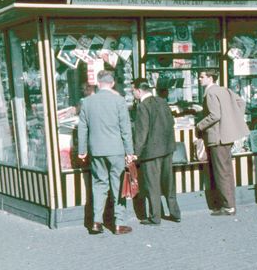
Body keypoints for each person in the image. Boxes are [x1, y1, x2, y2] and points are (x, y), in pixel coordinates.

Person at [77, 70, 136, 235]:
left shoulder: (87, 102)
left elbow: (82, 128)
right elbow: (126, 129)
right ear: (112, 83)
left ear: (98, 83)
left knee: (99, 184)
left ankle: (96, 222)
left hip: (96, 150)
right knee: (118, 185)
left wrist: (82, 150)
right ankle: (119, 223)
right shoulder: (119, 101)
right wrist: (129, 151)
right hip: (116, 149)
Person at [195, 69, 249, 216]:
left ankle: (228, 206)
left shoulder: (210, 93)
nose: (199, 79)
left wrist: (199, 125)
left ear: (210, 78)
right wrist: (231, 119)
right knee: (227, 172)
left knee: (221, 173)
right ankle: (230, 204)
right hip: (226, 136)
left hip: (216, 137)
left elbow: (215, 115)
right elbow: (241, 102)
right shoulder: (224, 90)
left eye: (202, 76)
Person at [131, 78, 181, 225]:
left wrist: (136, 152)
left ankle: (155, 217)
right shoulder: (162, 101)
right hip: (167, 149)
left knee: (153, 185)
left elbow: (142, 132)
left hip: (151, 152)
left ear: (139, 91)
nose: (132, 93)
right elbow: (170, 123)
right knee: (168, 183)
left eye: (133, 91)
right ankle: (175, 213)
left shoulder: (142, 107)